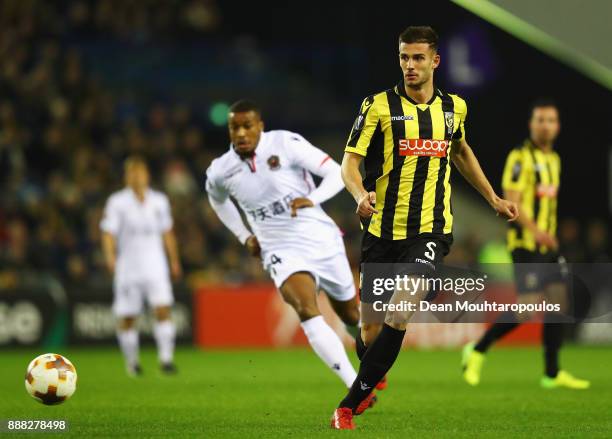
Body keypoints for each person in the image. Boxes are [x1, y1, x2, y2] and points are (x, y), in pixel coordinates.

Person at [331, 26, 518, 430]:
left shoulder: (454, 109)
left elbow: (461, 151)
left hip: (430, 230)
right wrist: (360, 195)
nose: (410, 65)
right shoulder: (377, 106)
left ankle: (345, 406)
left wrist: (493, 199)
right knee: (369, 329)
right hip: (382, 232)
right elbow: (349, 164)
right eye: (404, 57)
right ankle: (371, 373)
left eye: (418, 58)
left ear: (435, 61)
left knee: (401, 311)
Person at [205, 100, 373, 411]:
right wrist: (244, 236)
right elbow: (217, 200)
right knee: (305, 307)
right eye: (234, 127)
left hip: (319, 237)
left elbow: (336, 173)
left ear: (260, 126)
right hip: (278, 247)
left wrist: (313, 198)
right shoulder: (220, 170)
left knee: (351, 314)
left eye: (247, 126)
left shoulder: (285, 143)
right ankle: (354, 385)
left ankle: (370, 363)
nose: (241, 133)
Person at [462, 99, 590, 390]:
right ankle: (478, 349)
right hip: (526, 244)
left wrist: (550, 234)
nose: (546, 125)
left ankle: (552, 372)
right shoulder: (520, 158)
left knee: (559, 303)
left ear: (557, 126)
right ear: (531, 125)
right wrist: (538, 232)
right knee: (528, 306)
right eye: (540, 120)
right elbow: (513, 202)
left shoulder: (554, 160)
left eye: (551, 120)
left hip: (548, 246)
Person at [101, 156, 182, 376]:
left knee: (163, 309)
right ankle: (132, 362)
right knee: (128, 317)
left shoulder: (159, 201)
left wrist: (174, 260)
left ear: (147, 175)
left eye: (140, 172)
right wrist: (110, 257)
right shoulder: (117, 202)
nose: (137, 176)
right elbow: (108, 233)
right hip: (128, 267)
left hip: (156, 265)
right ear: (126, 177)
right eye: (132, 172)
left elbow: (167, 233)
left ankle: (166, 360)